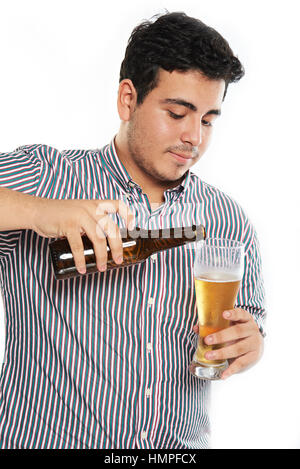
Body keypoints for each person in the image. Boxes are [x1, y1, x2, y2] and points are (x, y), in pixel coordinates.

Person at [0, 12, 265, 449]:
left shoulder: (229, 220)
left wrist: (251, 344)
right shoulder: (49, 177)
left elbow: (250, 323)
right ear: (128, 99)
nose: (193, 137)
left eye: (208, 119)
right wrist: (40, 212)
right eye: (177, 112)